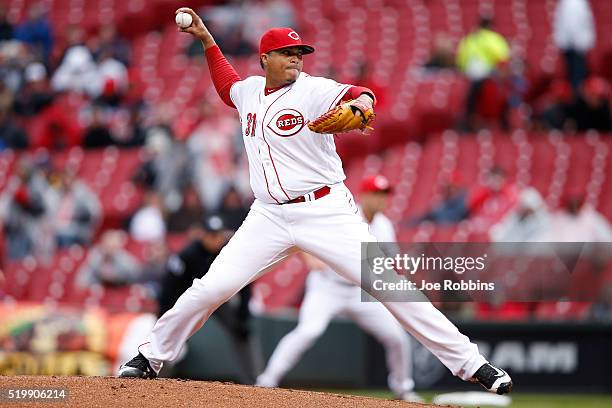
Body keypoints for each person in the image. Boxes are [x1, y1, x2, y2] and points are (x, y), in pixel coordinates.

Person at [119, 7, 513, 396]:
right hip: (269, 215)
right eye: (288, 53)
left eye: (300, 53)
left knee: (390, 285)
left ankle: (472, 363)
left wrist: (362, 105)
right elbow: (227, 87)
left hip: (324, 210)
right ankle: (149, 357)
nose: (296, 59)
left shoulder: (314, 89)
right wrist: (207, 41)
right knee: (210, 288)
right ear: (265, 59)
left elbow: (359, 93)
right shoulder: (249, 92)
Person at [256, 175, 421, 402]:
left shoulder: (384, 225)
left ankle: (403, 389)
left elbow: (389, 263)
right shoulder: (347, 213)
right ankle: (267, 380)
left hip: (359, 291)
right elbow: (304, 233)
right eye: (376, 194)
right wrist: (310, 256)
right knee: (308, 331)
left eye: (384, 194)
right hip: (327, 287)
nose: (382, 200)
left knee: (396, 337)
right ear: (364, 196)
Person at [159, 214, 261, 383]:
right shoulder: (188, 254)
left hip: (219, 300)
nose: (215, 239)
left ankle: (254, 381)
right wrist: (165, 312)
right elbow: (170, 285)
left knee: (242, 332)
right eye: (211, 235)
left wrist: (243, 314)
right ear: (203, 235)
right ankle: (157, 373)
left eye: (218, 235)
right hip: (190, 299)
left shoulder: (231, 250)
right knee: (172, 331)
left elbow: (246, 282)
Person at [553, 0, 595, 91]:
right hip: (574, 46)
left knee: (577, 75)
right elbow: (571, 23)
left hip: (575, 44)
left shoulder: (575, 2)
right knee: (576, 76)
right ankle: (577, 97)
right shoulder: (572, 3)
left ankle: (578, 96)